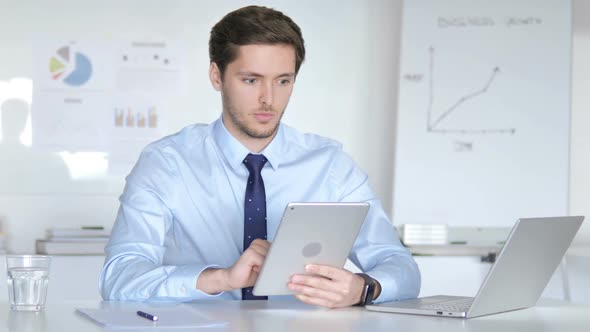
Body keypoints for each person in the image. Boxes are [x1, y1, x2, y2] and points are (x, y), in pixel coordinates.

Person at [99, 5, 420, 308]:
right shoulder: (166, 163)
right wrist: (220, 278)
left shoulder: (330, 165)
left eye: (283, 81)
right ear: (216, 76)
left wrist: (363, 288)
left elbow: (400, 266)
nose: (268, 99)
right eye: (251, 80)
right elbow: (119, 278)